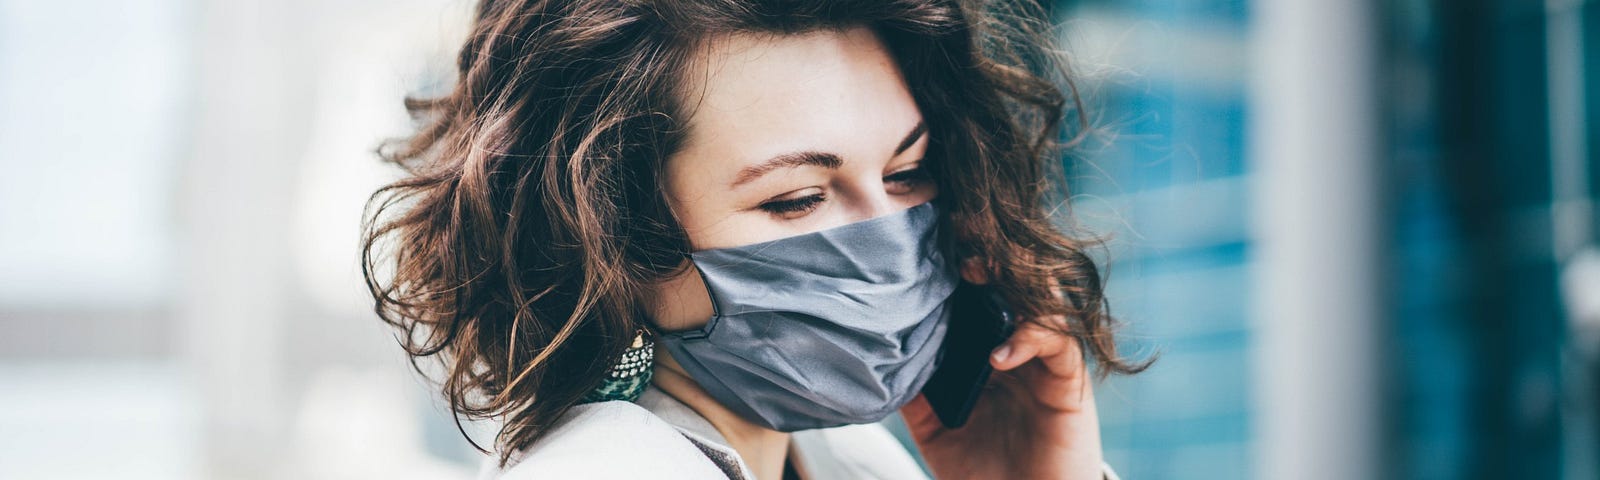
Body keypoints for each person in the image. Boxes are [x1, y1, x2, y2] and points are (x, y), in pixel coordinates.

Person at [361, 0, 1149, 478]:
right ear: (608, 233)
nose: (891, 241)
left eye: (909, 174)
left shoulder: (853, 460)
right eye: (798, 198)